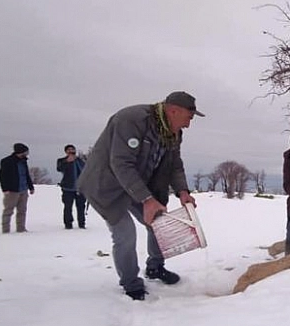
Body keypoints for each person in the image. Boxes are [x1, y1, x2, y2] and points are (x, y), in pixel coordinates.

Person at [77, 91, 204, 301]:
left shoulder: (173, 132)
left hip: (138, 185)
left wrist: (183, 191)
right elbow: (121, 163)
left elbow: (175, 165)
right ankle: (131, 283)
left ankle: (155, 268)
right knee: (125, 234)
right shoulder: (131, 120)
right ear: (173, 110)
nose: (188, 125)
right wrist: (147, 199)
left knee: (158, 222)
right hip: (107, 185)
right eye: (188, 118)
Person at [0, 143, 35, 233]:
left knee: (22, 210)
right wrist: (5, 189)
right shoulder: (6, 161)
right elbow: (2, 176)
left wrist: (31, 187)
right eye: (25, 152)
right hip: (12, 190)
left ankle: (21, 229)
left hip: (23, 189)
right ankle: (5, 230)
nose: (27, 153)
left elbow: (26, 175)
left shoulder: (24, 161)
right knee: (8, 210)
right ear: (20, 152)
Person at [56, 144, 87, 229]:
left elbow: (86, 170)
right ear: (66, 151)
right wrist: (67, 161)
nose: (71, 151)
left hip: (80, 188)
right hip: (68, 188)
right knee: (68, 207)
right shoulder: (61, 160)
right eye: (69, 150)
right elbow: (59, 168)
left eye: (72, 149)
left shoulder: (80, 161)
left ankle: (82, 223)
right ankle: (68, 224)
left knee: (81, 206)